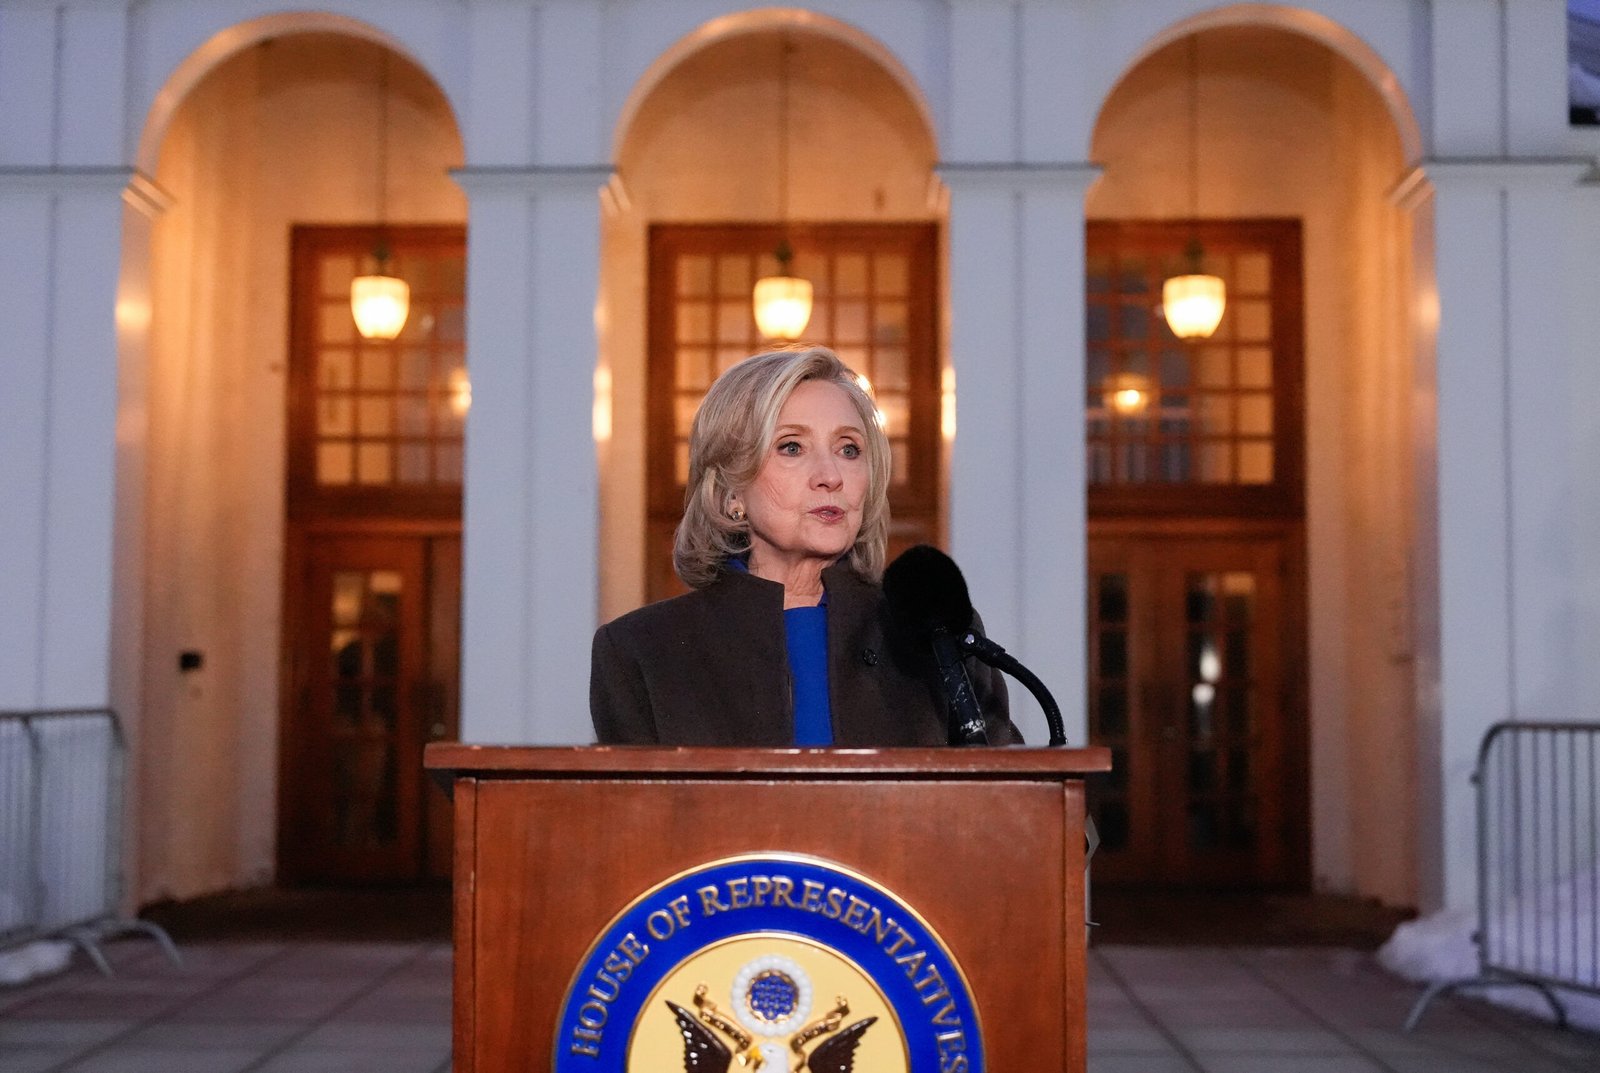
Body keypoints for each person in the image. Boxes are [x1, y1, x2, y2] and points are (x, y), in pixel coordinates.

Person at [590, 346, 1019, 746]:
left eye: (849, 449)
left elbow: (1008, 792)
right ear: (730, 491)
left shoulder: (938, 634)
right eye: (792, 447)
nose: (831, 476)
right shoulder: (641, 650)